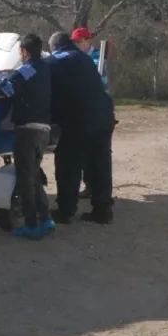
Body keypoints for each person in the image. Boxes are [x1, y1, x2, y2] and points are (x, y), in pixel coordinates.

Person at [0, 33, 55, 240]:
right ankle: (46, 219)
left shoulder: (26, 70)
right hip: (43, 131)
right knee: (33, 177)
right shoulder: (45, 68)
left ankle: (32, 225)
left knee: (25, 178)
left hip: (27, 130)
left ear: (24, 52)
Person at [45, 31, 115, 225]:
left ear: (54, 48)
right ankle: (103, 211)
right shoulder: (85, 59)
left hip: (78, 121)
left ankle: (66, 211)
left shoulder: (52, 63)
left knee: (69, 165)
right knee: (99, 165)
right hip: (104, 116)